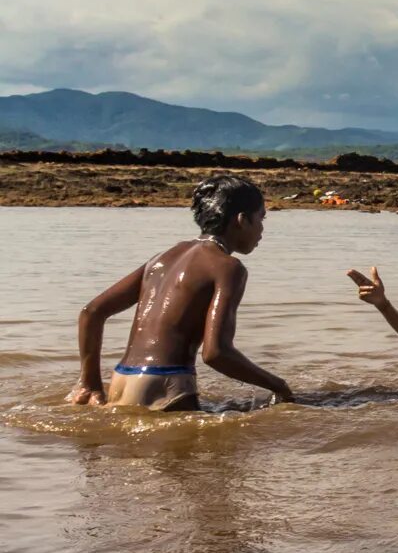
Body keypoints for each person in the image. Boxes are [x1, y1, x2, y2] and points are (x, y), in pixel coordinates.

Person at [68, 173, 293, 410]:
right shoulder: (228, 267)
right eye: (261, 218)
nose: (262, 230)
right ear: (241, 220)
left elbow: (91, 312)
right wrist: (278, 385)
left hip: (121, 381)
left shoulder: (163, 258)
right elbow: (216, 353)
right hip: (167, 383)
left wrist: (90, 382)